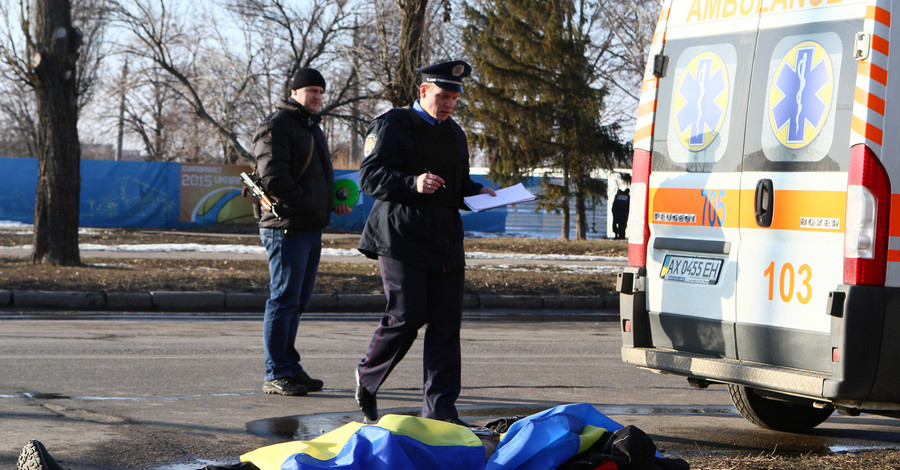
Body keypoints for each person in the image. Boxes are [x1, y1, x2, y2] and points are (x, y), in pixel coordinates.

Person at [354, 60, 496, 426]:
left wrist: (480, 193)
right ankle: (368, 377)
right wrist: (410, 183)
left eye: (453, 98)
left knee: (447, 327)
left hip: (445, 241)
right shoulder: (392, 124)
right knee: (407, 315)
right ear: (423, 91)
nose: (448, 104)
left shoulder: (455, 134)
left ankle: (441, 414)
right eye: (442, 96)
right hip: (400, 237)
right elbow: (370, 177)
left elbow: (456, 186)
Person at [252, 67, 351, 397]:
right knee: (283, 300)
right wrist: (311, 204)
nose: (317, 97)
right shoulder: (276, 126)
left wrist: (332, 202)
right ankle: (276, 372)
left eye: (321, 92)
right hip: (286, 228)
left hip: (308, 226)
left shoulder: (311, 127)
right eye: (311, 91)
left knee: (296, 301)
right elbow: (273, 178)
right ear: (294, 92)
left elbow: (318, 177)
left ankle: (289, 367)